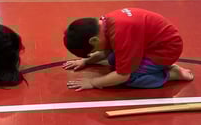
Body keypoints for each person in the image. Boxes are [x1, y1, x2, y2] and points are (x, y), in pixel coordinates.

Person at [63, 8, 194, 91]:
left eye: (92, 50)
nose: (93, 53)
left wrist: (93, 82)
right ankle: (158, 67)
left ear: (94, 40)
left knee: (130, 78)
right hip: (150, 44)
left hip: (165, 51)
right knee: (112, 59)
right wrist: (86, 61)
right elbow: (106, 51)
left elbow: (123, 75)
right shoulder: (105, 23)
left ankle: (172, 74)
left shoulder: (121, 34)